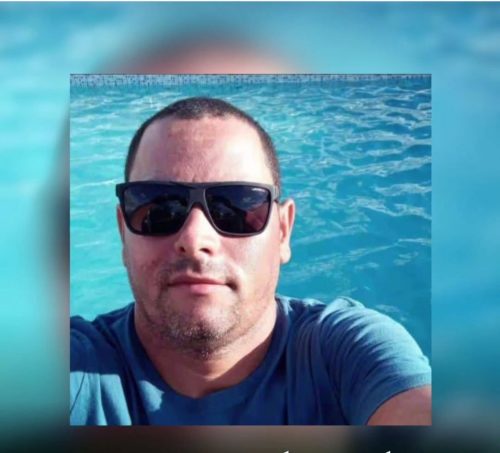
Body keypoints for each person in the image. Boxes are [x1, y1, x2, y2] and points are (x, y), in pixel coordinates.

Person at [70, 97, 431, 425]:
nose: (195, 240)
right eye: (159, 209)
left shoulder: (348, 354)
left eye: (237, 206)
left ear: (283, 232)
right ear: (123, 232)